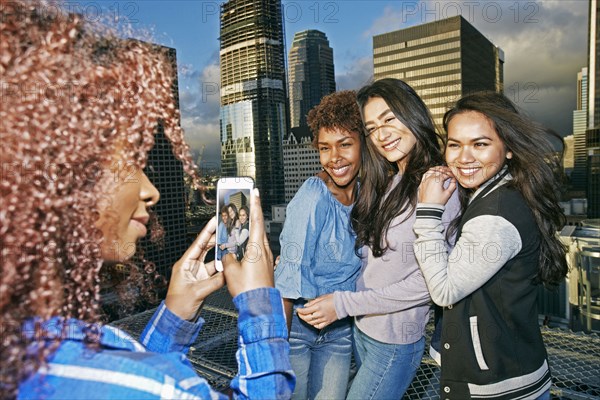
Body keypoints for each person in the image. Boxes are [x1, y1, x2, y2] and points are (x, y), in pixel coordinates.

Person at [0, 2, 294, 398]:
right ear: (59, 178)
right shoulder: (155, 386)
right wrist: (260, 307)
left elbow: (131, 381)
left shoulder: (29, 347)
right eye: (129, 164)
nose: (150, 190)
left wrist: (174, 315)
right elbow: (154, 386)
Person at [298, 78, 460, 399]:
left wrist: (342, 304)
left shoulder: (439, 184)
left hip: (395, 341)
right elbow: (373, 260)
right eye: (371, 128)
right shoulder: (390, 180)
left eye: (389, 119)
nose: (381, 135)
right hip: (364, 329)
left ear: (412, 112)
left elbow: (429, 286)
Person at [413, 91, 568, 399]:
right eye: (455, 144)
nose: (464, 157)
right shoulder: (505, 189)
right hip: (508, 370)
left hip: (497, 386)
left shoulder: (494, 218)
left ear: (508, 148)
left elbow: (444, 291)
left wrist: (428, 211)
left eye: (480, 144)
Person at [274, 90, 364, 399]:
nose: (334, 158)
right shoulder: (313, 195)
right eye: (325, 148)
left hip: (341, 330)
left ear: (364, 144)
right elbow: (288, 275)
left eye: (345, 145)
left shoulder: (369, 194)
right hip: (299, 331)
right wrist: (277, 349)